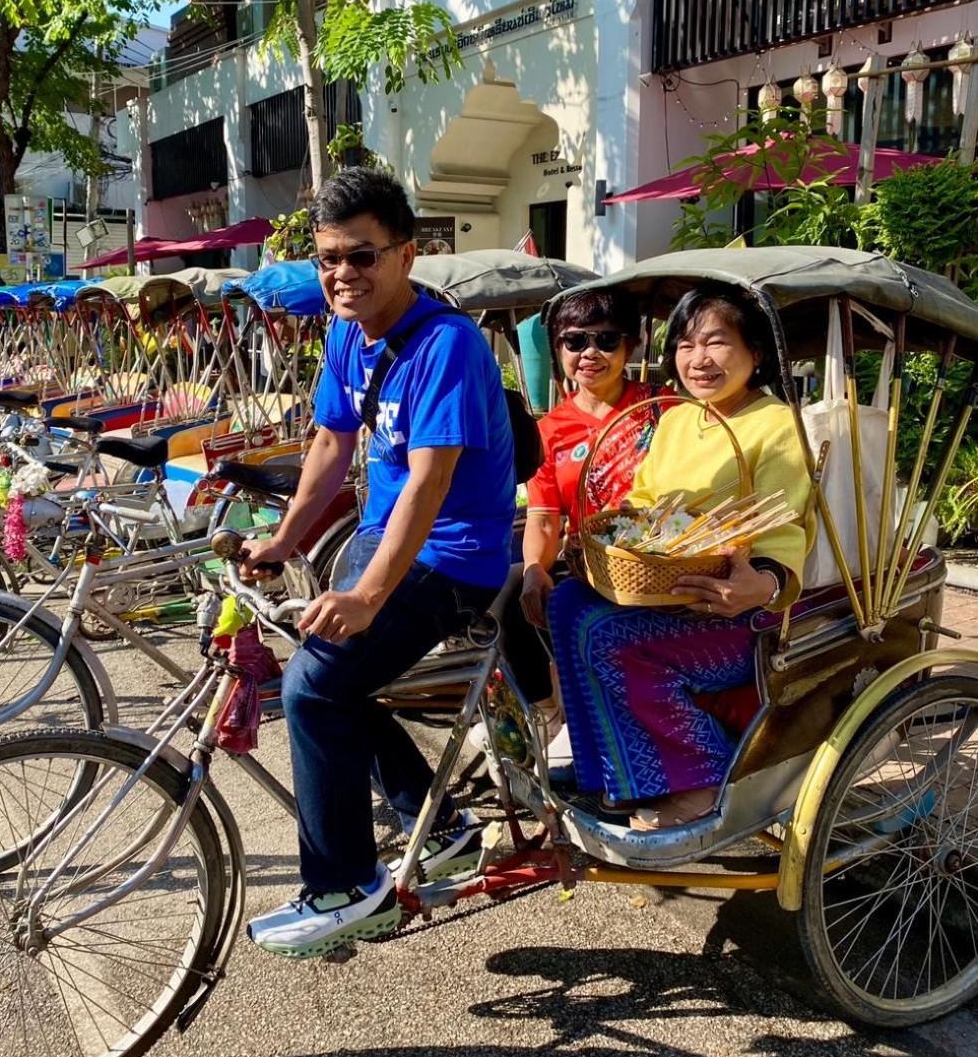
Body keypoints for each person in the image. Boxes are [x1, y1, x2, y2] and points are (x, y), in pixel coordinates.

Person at [240, 167, 516, 957]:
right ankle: (445, 825)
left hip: (457, 556)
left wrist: (365, 593)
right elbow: (330, 443)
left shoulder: (447, 345)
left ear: (407, 254)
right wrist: (285, 541)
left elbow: (430, 484)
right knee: (331, 667)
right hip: (387, 538)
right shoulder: (344, 332)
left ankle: (348, 886)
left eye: (361, 256)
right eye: (328, 258)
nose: (341, 274)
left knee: (316, 684)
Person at [548, 283, 812, 829]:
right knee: (567, 600)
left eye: (716, 343)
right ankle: (611, 770)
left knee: (607, 635)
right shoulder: (675, 418)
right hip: (664, 587)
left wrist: (761, 582)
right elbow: (643, 501)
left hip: (736, 612)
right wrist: (617, 537)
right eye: (687, 345)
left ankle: (701, 775)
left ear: (755, 353)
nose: (699, 360)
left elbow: (784, 526)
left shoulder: (776, 424)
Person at [501, 288, 660, 733]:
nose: (590, 352)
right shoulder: (549, 430)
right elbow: (544, 516)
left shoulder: (663, 409)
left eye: (607, 340)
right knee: (510, 587)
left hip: (658, 562)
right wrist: (535, 567)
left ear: (631, 344)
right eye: (575, 341)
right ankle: (547, 710)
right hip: (590, 561)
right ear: (557, 348)